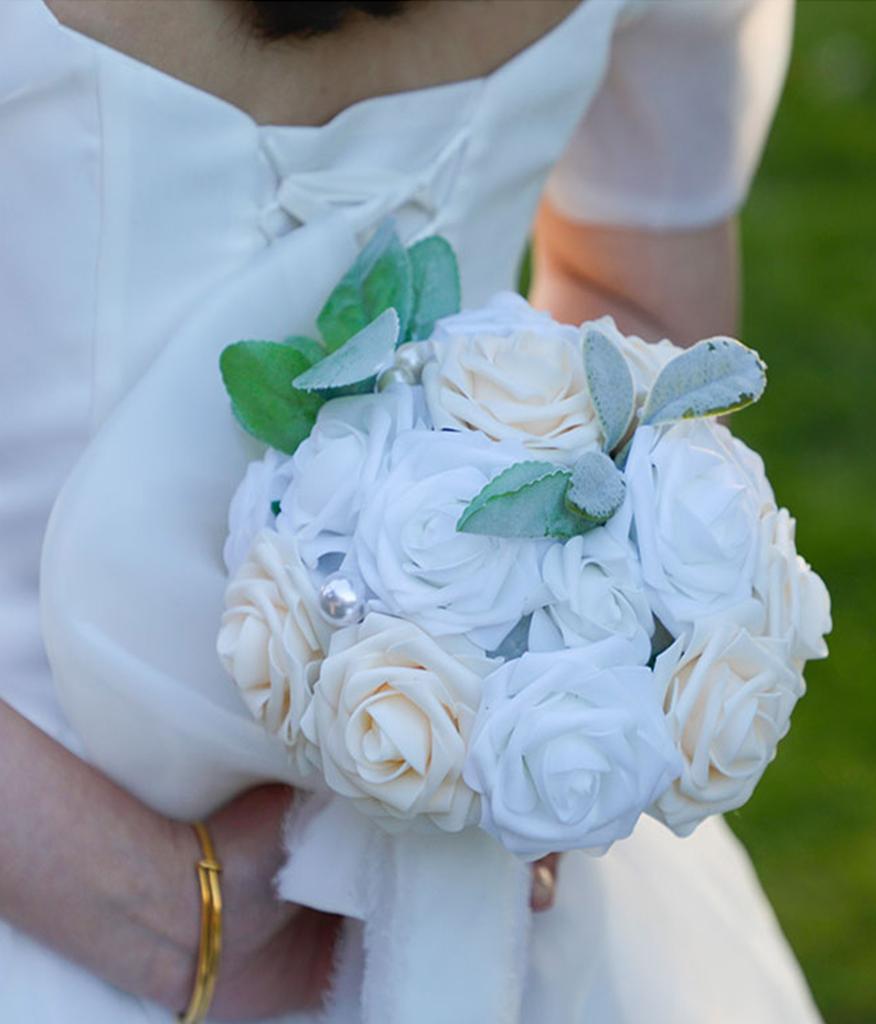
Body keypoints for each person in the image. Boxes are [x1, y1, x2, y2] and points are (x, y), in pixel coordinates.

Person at [0, 0, 819, 1020]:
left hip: (439, 855)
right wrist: (147, 901)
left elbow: (627, 341)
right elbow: (640, 304)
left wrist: (534, 693)